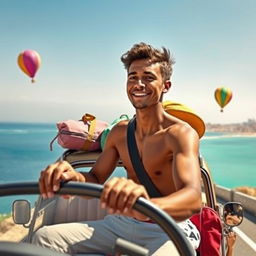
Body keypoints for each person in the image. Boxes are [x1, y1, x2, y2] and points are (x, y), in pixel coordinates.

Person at [32, 42, 202, 255]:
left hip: (167, 228)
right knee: (45, 238)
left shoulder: (180, 134)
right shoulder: (120, 133)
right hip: (122, 223)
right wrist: (71, 175)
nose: (138, 84)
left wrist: (146, 207)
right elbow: (95, 177)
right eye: (132, 77)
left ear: (165, 86)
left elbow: (193, 197)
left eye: (148, 77)